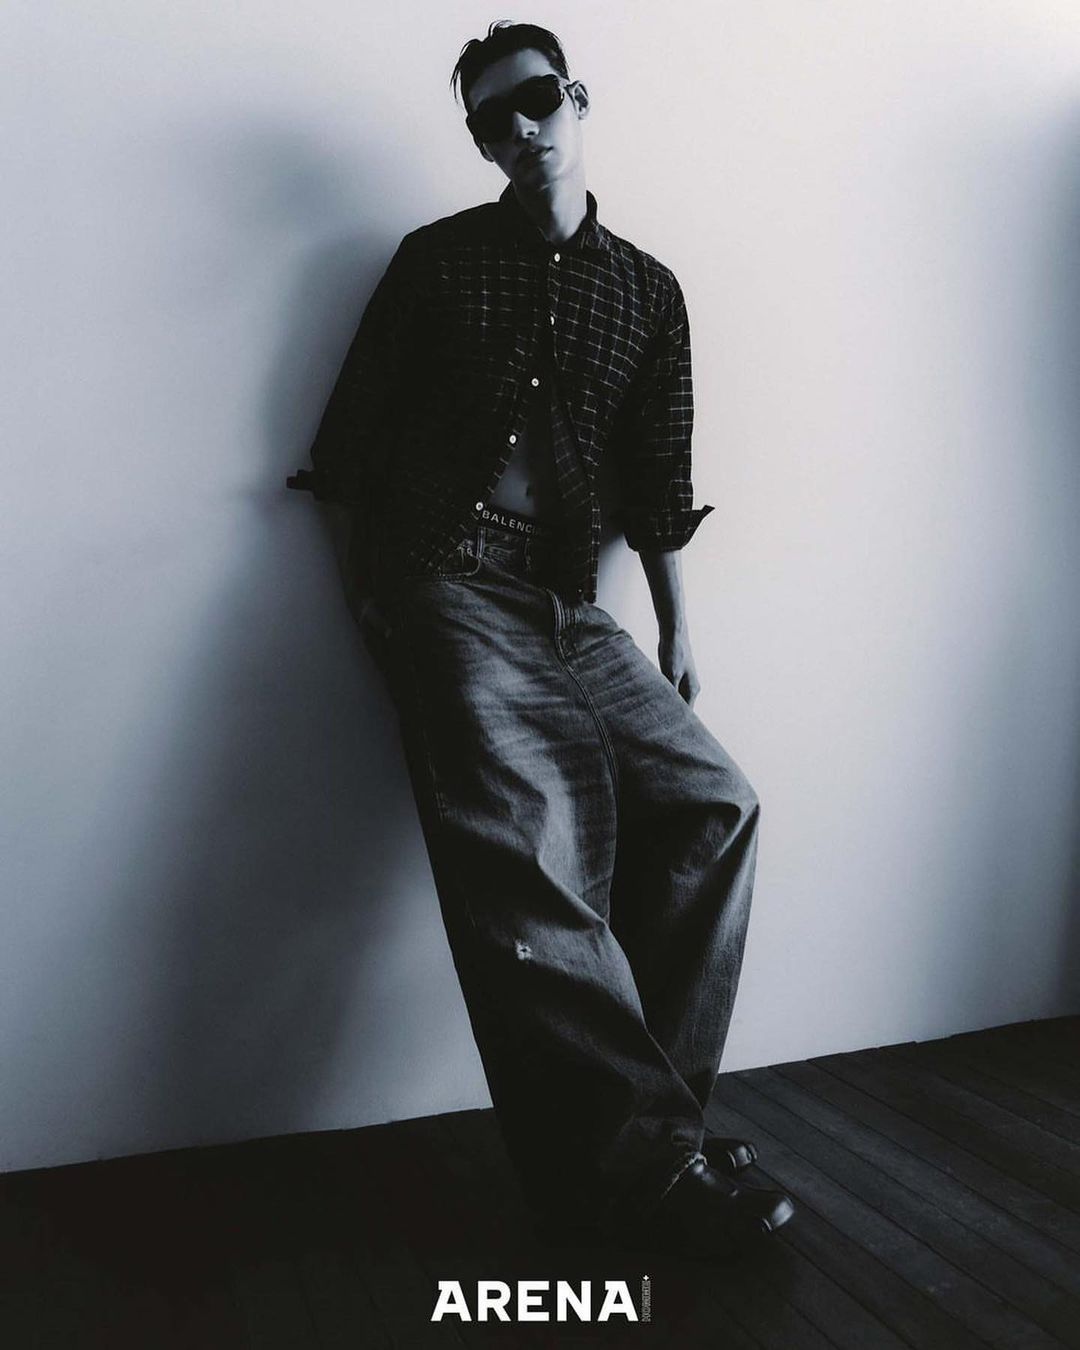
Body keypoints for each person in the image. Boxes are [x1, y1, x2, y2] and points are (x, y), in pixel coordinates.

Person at [287, 20, 795, 1254]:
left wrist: (677, 631)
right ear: (478, 142)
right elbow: (348, 448)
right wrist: (372, 597)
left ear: (579, 97)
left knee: (715, 804)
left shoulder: (649, 292)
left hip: (573, 605)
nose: (520, 128)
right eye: (490, 119)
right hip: (449, 581)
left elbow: (658, 482)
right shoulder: (435, 262)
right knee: (526, 845)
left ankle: (654, 1140)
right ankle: (657, 1161)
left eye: (538, 100)